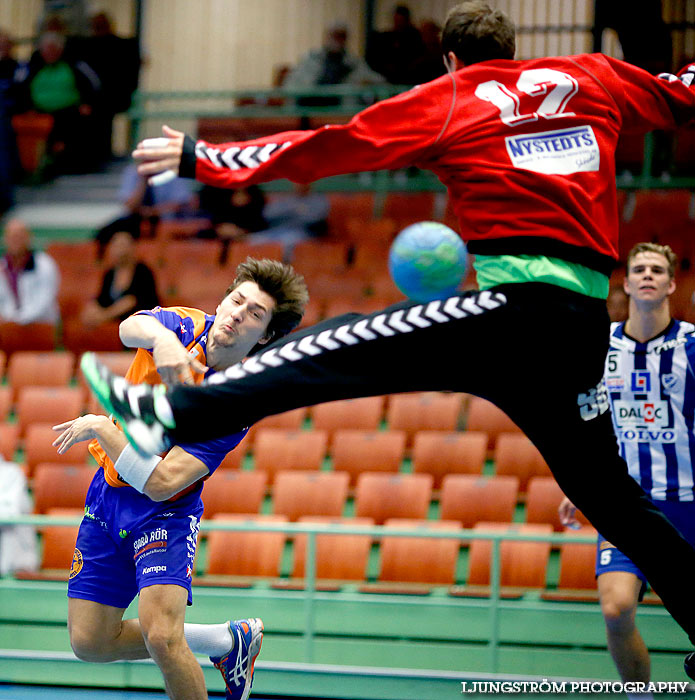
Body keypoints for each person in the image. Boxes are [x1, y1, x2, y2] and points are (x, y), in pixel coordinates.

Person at [83, 0, 695, 674]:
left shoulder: (455, 95)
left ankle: (176, 409)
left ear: (450, 59)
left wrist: (206, 157)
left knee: (341, 342)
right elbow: (683, 94)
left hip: (516, 312)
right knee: (618, 504)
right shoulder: (595, 76)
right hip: (582, 328)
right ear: (514, 49)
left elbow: (336, 144)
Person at [54, 257, 308, 700]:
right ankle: (227, 641)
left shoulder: (237, 400)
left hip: (164, 513)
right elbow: (128, 329)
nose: (236, 314)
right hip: (109, 497)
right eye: (236, 300)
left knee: (163, 638)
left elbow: (163, 482)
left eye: (255, 314)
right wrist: (164, 340)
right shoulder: (186, 324)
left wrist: (102, 428)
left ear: (265, 336)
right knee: (89, 643)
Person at [559, 243, 695, 697]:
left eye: (658, 269)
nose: (648, 275)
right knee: (616, 609)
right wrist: (580, 484)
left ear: (672, 283)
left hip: (690, 502)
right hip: (626, 503)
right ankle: (639, 695)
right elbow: (586, 420)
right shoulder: (602, 344)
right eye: (639, 269)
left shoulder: (692, 346)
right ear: (628, 283)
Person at [284, 23, 385, 106]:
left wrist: (367, 83)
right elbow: (291, 84)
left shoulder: (353, 62)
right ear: (327, 37)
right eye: (335, 36)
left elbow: (378, 81)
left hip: (340, 106)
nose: (338, 40)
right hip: (309, 104)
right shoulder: (311, 58)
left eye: (342, 36)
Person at [81, 229, 159, 330]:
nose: (119, 250)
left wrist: (104, 316)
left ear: (133, 247)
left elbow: (131, 302)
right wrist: (91, 310)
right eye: (116, 245)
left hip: (140, 322)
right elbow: (101, 299)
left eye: (123, 245)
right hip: (114, 321)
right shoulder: (110, 273)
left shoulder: (143, 271)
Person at [0, 217, 60, 325]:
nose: (15, 241)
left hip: (40, 325)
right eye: (12, 237)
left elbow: (44, 301)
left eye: (19, 236)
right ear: (5, 239)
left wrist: (17, 319)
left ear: (29, 238)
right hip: (8, 326)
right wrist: (9, 318)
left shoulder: (45, 264)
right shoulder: (2, 266)